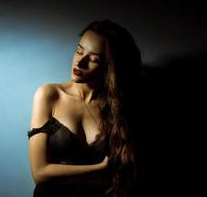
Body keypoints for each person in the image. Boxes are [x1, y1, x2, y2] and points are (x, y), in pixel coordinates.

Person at [28, 19, 142, 197]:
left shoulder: (119, 109)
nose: (80, 63)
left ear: (110, 67)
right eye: (78, 51)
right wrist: (100, 168)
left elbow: (122, 178)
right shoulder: (49, 95)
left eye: (94, 59)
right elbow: (40, 174)